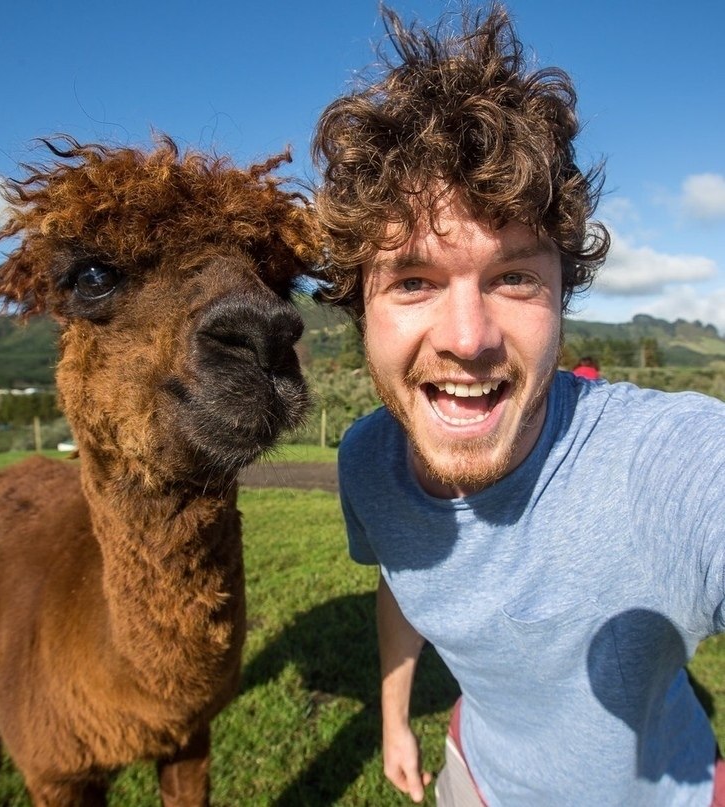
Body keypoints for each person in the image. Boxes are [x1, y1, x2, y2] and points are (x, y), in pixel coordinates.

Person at [312, 6, 725, 806]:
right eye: (412, 280)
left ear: (560, 296)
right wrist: (394, 719)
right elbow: (399, 576)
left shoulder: (660, 464)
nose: (467, 338)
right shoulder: (364, 458)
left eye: (513, 277)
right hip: (475, 777)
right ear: (360, 307)